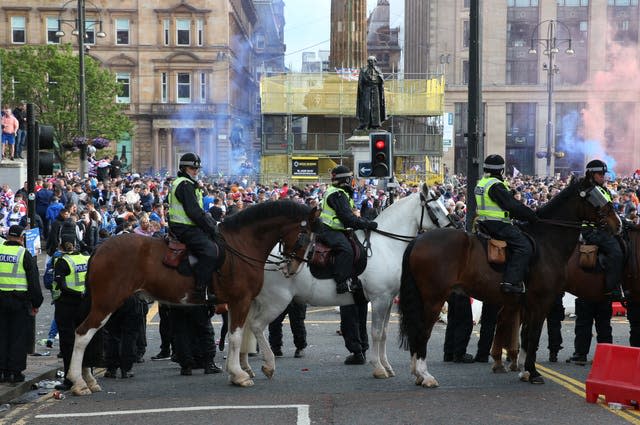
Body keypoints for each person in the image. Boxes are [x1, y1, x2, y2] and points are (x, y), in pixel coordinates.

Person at [474, 154, 538, 294]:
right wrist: (532, 216)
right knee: (524, 246)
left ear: (485, 168)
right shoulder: (495, 185)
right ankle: (510, 281)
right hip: (498, 225)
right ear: (501, 170)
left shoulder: (482, 182)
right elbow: (512, 206)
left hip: (484, 223)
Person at [168, 153, 220, 300]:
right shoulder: (184, 185)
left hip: (187, 226)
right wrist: (211, 226)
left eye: (197, 168)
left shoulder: (187, 183)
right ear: (184, 168)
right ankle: (200, 289)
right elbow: (194, 212)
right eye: (192, 168)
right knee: (210, 250)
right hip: (185, 227)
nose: (196, 171)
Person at [318, 165, 378, 294]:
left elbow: (353, 215)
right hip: (329, 229)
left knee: (357, 245)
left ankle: (354, 277)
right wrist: (367, 224)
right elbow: (348, 219)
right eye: (350, 179)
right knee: (347, 249)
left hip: (338, 229)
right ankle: (341, 282)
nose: (352, 182)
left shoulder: (342, 193)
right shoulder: (337, 194)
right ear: (345, 180)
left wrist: (364, 221)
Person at [52, 232, 101, 391]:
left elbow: (60, 285)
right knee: (84, 339)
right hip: (85, 304)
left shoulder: (62, 261)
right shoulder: (85, 258)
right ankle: (88, 374)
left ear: (61, 245)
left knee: (68, 343)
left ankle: (70, 378)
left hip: (67, 305)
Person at [0, 225, 43, 383]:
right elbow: (33, 281)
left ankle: (2, 371)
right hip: (18, 300)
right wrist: (36, 302)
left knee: (2, 335)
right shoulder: (23, 253)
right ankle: (15, 372)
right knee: (17, 337)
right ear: (21, 238)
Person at [582, 159, 624, 300]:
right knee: (616, 252)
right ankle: (611, 288)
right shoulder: (591, 191)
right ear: (591, 175)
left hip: (603, 228)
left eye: (603, 174)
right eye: (600, 174)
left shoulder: (603, 189)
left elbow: (610, 213)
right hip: (592, 230)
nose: (603, 176)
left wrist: (625, 222)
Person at [169, 304, 221, 376]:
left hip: (178, 303)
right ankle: (209, 363)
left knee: (181, 334)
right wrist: (211, 304)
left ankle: (186, 366)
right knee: (205, 331)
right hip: (197, 301)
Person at [566, 297, 612, 365]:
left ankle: (580, 354)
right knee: (604, 326)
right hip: (604, 296)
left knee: (583, 325)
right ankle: (605, 355)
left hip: (586, 296)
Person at [443, 293, 474, 363]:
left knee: (452, 319)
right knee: (464, 320)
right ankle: (459, 353)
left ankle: (449, 353)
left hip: (451, 288)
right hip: (462, 288)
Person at [356, 56, 386, 130]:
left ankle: (375, 124)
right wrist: (362, 91)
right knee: (366, 107)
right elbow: (360, 82)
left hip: (375, 90)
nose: (370, 62)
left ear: (375, 62)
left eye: (372, 61)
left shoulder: (378, 70)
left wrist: (378, 80)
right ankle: (365, 124)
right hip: (367, 90)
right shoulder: (363, 70)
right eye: (369, 61)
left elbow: (381, 80)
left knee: (375, 108)